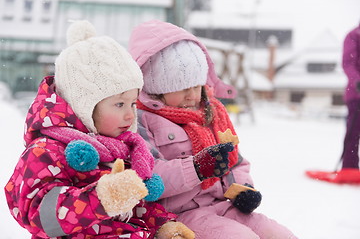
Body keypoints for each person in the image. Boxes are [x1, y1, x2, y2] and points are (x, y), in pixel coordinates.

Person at [4, 20, 195, 239]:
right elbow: (39, 215)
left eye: (133, 103)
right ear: (84, 106)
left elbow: (136, 206)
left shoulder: (122, 150)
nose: (130, 115)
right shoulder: (47, 151)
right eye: (119, 104)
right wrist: (102, 198)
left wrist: (162, 225)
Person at [128, 20, 297, 239]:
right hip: (182, 214)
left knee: (278, 234)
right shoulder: (142, 120)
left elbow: (235, 161)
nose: (192, 95)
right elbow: (149, 177)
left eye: (196, 86)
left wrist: (244, 188)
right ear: (156, 89)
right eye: (181, 88)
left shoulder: (212, 114)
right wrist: (197, 168)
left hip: (223, 205)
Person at [306, 24, 360, 184]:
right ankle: (350, 168)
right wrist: (357, 80)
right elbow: (348, 63)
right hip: (357, 95)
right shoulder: (354, 35)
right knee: (354, 132)